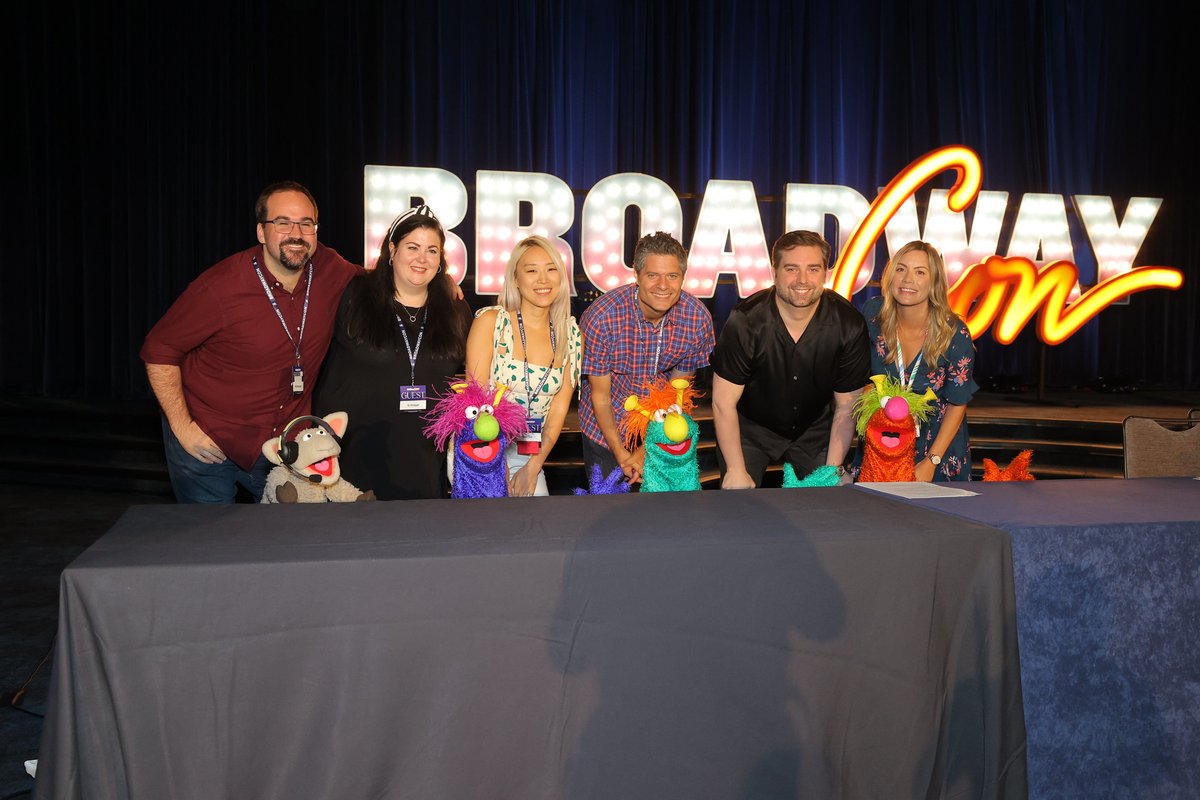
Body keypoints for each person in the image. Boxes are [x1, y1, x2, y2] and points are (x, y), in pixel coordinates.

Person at [141, 181, 358, 503]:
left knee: (284, 541)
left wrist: (440, 283)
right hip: (210, 439)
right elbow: (158, 351)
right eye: (282, 222)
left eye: (306, 223)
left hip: (285, 445)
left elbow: (377, 279)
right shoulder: (220, 287)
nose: (296, 233)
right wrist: (182, 426)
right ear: (261, 232)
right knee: (212, 543)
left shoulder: (329, 268)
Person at [312, 206, 471, 500]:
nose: (422, 259)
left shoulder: (455, 311)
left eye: (432, 250)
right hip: (351, 463)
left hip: (423, 465)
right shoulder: (354, 295)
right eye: (412, 247)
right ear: (392, 248)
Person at [711, 230, 870, 488]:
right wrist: (736, 469)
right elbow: (722, 403)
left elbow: (845, 407)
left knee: (828, 506)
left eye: (813, 269)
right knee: (737, 503)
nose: (802, 280)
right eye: (792, 269)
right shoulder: (745, 321)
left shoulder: (849, 324)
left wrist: (831, 472)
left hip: (815, 431)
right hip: (751, 430)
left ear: (825, 274)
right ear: (774, 272)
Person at [579, 231, 715, 484]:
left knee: (664, 513)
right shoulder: (602, 317)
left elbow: (678, 391)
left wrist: (645, 449)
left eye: (672, 276)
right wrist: (621, 454)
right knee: (609, 512)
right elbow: (601, 397)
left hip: (663, 426)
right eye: (653, 275)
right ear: (637, 276)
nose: (663, 285)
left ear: (683, 277)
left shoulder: (696, 318)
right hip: (606, 429)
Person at [465, 236, 581, 496]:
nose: (543, 280)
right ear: (516, 278)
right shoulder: (492, 322)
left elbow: (557, 413)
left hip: (529, 454)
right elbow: (475, 401)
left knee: (537, 527)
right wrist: (494, 468)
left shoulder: (570, 334)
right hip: (480, 448)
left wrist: (533, 467)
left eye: (551, 269)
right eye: (531, 270)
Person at [861, 241, 977, 481]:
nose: (908, 279)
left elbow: (957, 404)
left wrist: (932, 461)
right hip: (881, 449)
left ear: (934, 282)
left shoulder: (955, 333)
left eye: (920, 272)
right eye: (901, 269)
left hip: (935, 451)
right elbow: (861, 377)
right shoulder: (873, 316)